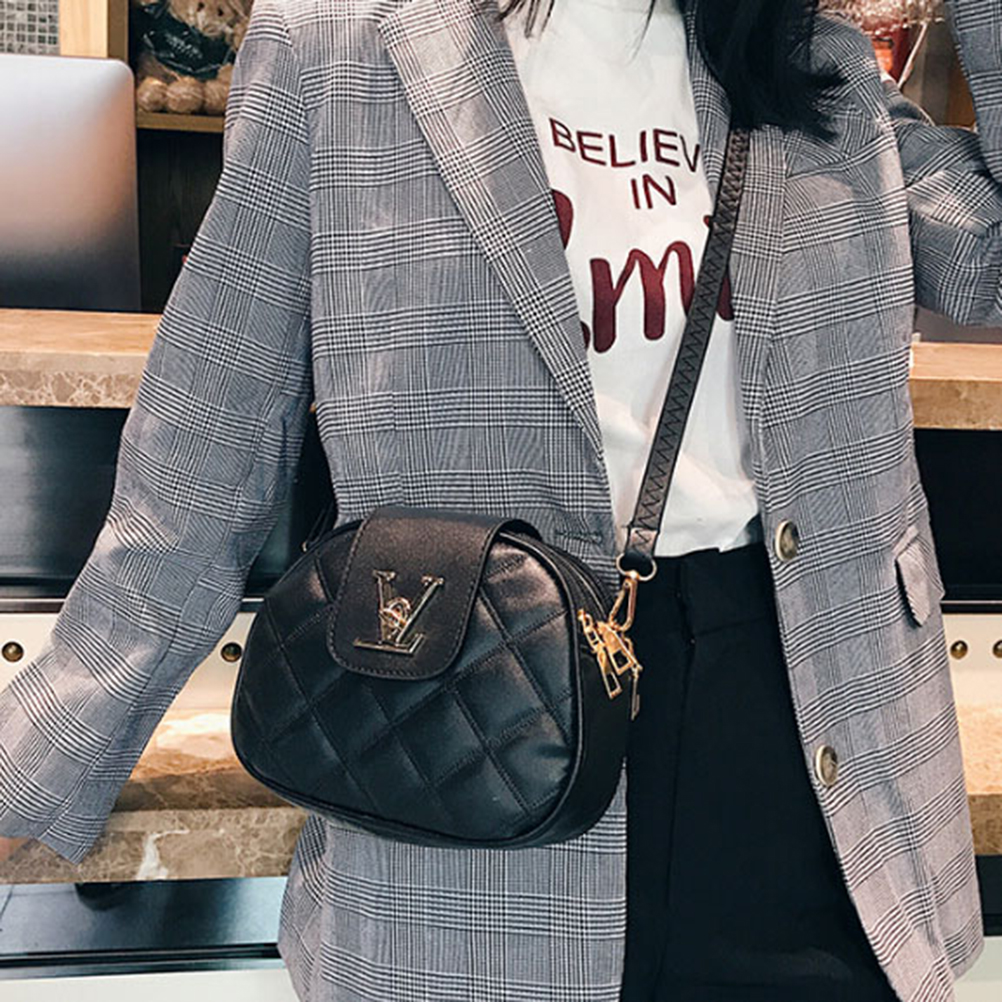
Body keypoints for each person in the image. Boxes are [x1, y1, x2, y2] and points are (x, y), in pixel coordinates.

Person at [1, 0, 1000, 998]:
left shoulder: (814, 67)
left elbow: (987, 265)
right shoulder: (341, 47)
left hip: (813, 758)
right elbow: (207, 443)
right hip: (468, 723)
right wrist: (44, 751)